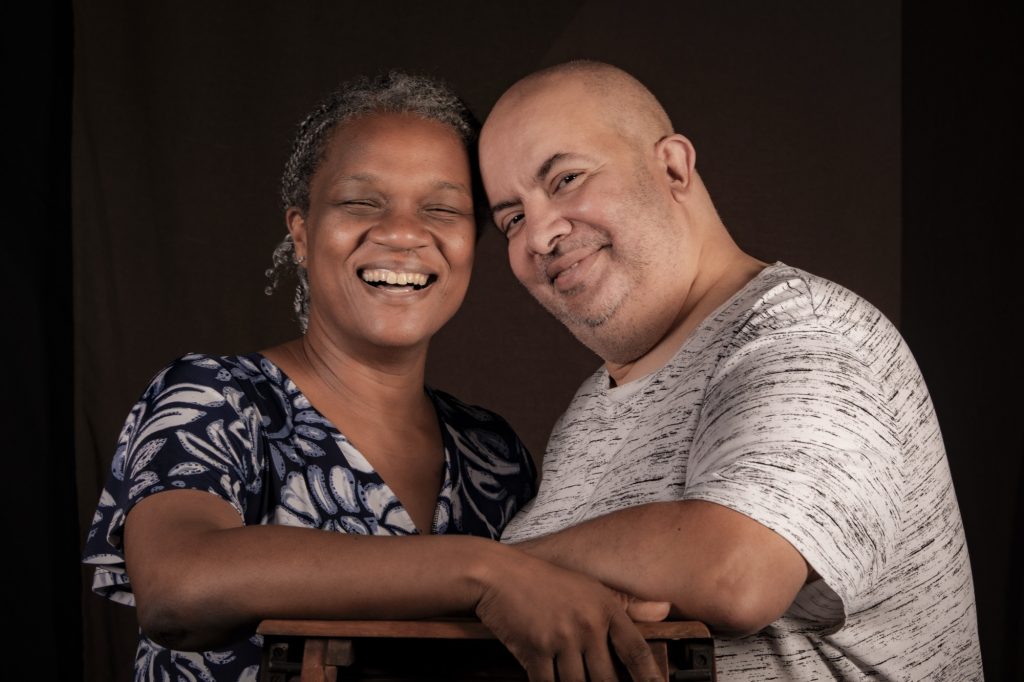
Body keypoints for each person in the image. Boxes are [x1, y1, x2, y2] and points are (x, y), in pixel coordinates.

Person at [82, 71, 669, 682]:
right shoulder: (216, 399)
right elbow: (179, 586)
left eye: (442, 209)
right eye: (361, 202)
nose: (403, 234)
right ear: (303, 234)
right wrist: (485, 571)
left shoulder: (491, 454)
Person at [479, 60, 984, 680]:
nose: (539, 236)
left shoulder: (809, 329)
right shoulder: (590, 408)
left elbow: (738, 572)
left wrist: (493, 575)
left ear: (672, 167)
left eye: (566, 179)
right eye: (512, 218)